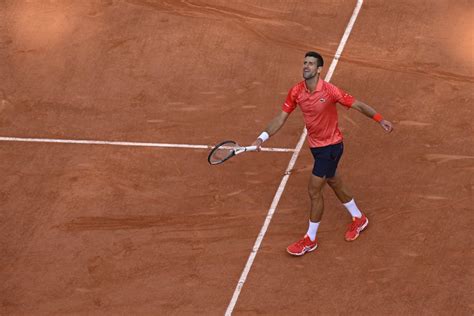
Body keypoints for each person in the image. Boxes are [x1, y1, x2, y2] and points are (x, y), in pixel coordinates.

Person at [251, 51, 393, 256]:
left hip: (332, 147)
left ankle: (310, 239)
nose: (306, 66)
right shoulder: (296, 92)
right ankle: (359, 218)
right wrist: (261, 138)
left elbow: (358, 105)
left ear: (318, 69)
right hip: (316, 147)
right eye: (304, 63)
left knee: (314, 190)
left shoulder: (330, 91)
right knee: (334, 181)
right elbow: (281, 118)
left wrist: (380, 119)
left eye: (310, 64)